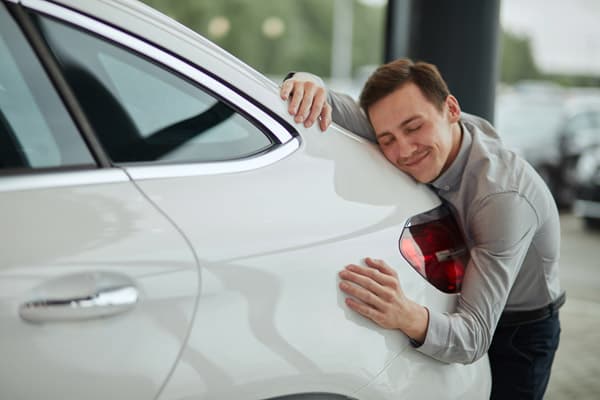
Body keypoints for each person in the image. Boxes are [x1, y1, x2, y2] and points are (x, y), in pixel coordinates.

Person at [280, 59, 565, 400]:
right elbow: (334, 105)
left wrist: (404, 313)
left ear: (452, 109)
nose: (403, 150)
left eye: (414, 128)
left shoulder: (502, 198)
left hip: (518, 329)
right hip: (455, 299)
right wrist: (306, 80)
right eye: (387, 139)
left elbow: (472, 337)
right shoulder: (419, 127)